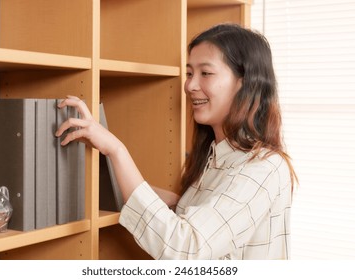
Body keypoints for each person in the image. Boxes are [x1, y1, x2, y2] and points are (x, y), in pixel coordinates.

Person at [55, 23, 297, 260]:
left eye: (206, 73)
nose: (190, 85)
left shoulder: (263, 168)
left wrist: (116, 150)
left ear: (244, 84)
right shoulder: (216, 157)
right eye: (189, 73)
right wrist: (179, 203)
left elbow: (186, 250)